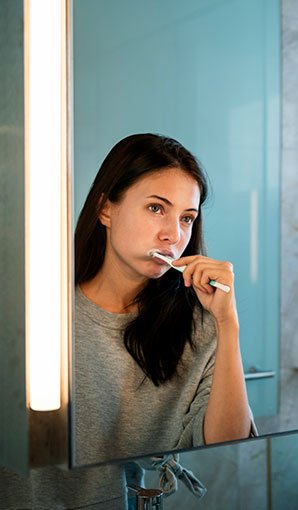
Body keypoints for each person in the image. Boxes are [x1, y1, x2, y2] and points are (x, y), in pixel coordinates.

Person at [0, 133, 256, 508]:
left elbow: (224, 446)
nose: (173, 234)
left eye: (187, 218)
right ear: (106, 209)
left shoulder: (200, 326)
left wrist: (228, 324)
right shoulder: (35, 314)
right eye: (156, 208)